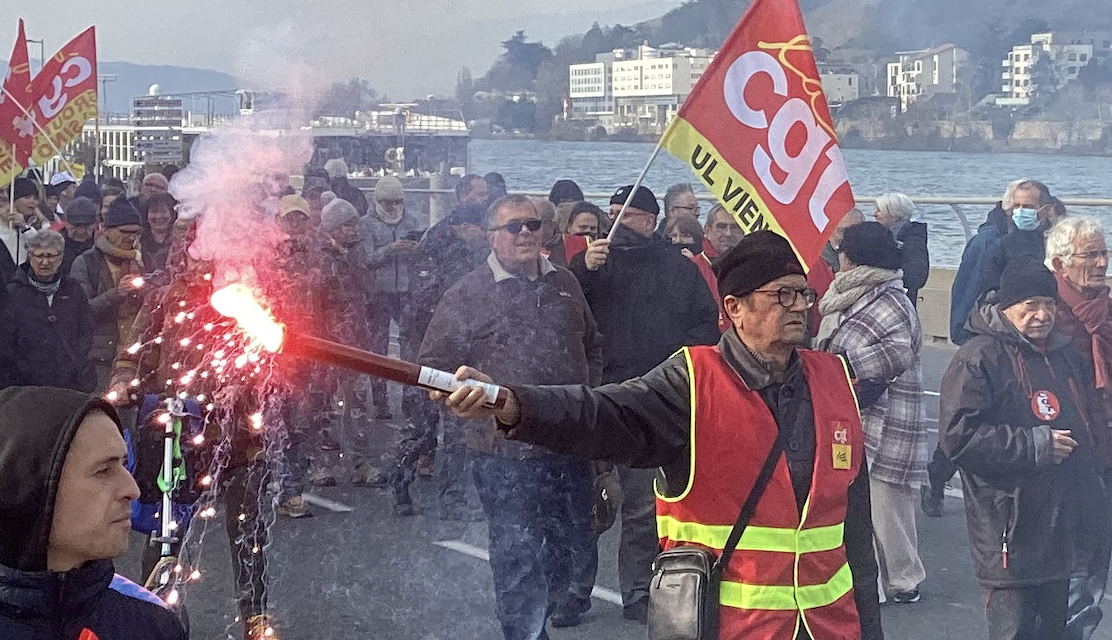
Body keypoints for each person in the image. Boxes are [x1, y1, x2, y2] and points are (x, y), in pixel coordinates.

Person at [437, 229, 883, 640]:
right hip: (727, 629)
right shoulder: (692, 381)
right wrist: (515, 403)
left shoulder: (835, 379)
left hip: (830, 628)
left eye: (804, 294)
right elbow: (603, 414)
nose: (800, 307)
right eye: (782, 295)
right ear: (734, 309)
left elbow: (857, 537)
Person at [419, 194, 601, 640]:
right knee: (518, 553)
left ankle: (548, 613)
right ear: (492, 236)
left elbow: (593, 346)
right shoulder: (466, 295)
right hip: (503, 451)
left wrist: (587, 398)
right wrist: (461, 401)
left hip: (568, 441)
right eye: (514, 226)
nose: (525, 233)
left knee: (567, 549)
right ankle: (526, 634)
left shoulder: (565, 284)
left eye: (533, 225)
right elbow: (433, 369)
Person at [557, 184, 720, 625]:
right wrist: (583, 271)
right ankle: (574, 589)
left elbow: (705, 328)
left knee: (641, 507)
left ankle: (635, 591)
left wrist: (678, 374)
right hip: (598, 394)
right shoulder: (594, 263)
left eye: (626, 214)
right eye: (612, 212)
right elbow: (568, 316)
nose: (615, 221)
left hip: (653, 398)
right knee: (587, 500)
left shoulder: (679, 269)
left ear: (649, 221)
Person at [939, 256, 1109, 640]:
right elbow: (957, 436)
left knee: (1054, 630)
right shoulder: (979, 356)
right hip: (1009, 527)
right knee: (1014, 630)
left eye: (1048, 304)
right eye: (1030, 305)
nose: (1041, 314)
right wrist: (1035, 445)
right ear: (1006, 307)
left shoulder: (1064, 355)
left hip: (1061, 524)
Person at [0, 387, 187, 640]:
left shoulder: (151, 626)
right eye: (103, 471)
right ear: (31, 483)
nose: (132, 490)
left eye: (123, 464)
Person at [817, 222, 928, 605]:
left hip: (888, 415)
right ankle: (874, 580)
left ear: (853, 257)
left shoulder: (891, 299)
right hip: (856, 415)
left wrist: (838, 365)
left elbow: (897, 351)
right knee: (863, 505)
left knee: (888, 505)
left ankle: (904, 578)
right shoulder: (856, 293)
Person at [390, 201, 491, 517]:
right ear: (465, 228)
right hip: (428, 354)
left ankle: (451, 495)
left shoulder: (466, 256)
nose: (484, 235)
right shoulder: (441, 256)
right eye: (480, 229)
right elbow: (424, 308)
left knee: (456, 428)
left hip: (456, 351)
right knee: (423, 426)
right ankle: (402, 484)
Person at [1045, 217, 1112, 640]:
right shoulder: (1043, 317)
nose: (1102, 262)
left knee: (1094, 569)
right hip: (1066, 462)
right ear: (1060, 263)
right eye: (1091, 254)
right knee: (1071, 572)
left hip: (1107, 455)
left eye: (1104, 252)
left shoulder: (1106, 313)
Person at [319, 198, 378, 484]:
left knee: (357, 403)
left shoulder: (357, 252)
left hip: (355, 339)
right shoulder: (318, 256)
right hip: (325, 342)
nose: (354, 229)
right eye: (347, 224)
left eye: (355, 223)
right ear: (333, 227)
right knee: (321, 405)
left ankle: (360, 465)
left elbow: (367, 288)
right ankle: (320, 466)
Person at [71, 198, 146, 392]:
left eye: (136, 233)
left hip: (135, 355)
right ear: (107, 230)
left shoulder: (142, 260)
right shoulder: (86, 263)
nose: (131, 238)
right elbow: (79, 312)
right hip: (100, 358)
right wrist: (115, 294)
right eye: (125, 232)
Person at [363, 177, 422, 420]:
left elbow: (422, 256)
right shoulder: (366, 224)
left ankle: (410, 401)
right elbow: (367, 259)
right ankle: (380, 402)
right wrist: (391, 250)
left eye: (396, 202)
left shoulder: (412, 221)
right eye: (387, 202)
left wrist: (416, 250)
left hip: (406, 292)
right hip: (378, 293)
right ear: (377, 201)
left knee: (410, 349)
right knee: (378, 349)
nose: (392, 207)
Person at [6, 230, 93, 390]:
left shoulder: (73, 289)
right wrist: (23, 367)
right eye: (39, 256)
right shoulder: (13, 293)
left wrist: (76, 359)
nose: (45, 262)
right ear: (30, 257)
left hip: (69, 381)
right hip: (25, 384)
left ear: (60, 258)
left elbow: (85, 329)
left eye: (51, 256)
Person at [949, 180, 1024, 346]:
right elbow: (970, 288)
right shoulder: (987, 241)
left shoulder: (1027, 237)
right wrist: (964, 334)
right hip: (989, 333)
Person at [978, 180, 1055, 295]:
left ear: (1047, 209)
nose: (1020, 211)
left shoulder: (1058, 240)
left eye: (1028, 207)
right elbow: (988, 289)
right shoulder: (1002, 245)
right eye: (1016, 206)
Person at [873, 193, 929, 307]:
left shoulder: (912, 241)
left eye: (879, 210)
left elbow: (916, 277)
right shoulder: (881, 236)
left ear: (895, 214)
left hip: (899, 302)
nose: (874, 214)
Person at [1, 177, 38, 285]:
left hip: (26, 281)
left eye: (35, 198)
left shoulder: (37, 221)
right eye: (27, 197)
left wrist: (24, 227)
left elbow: (39, 244)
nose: (32, 201)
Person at [140, 192, 178, 275]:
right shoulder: (139, 239)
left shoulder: (179, 239)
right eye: (153, 212)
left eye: (163, 211)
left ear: (171, 214)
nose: (158, 216)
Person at [60, 196, 99, 276]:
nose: (81, 231)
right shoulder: (56, 246)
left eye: (86, 226)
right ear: (66, 222)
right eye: (75, 225)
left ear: (95, 223)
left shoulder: (102, 246)